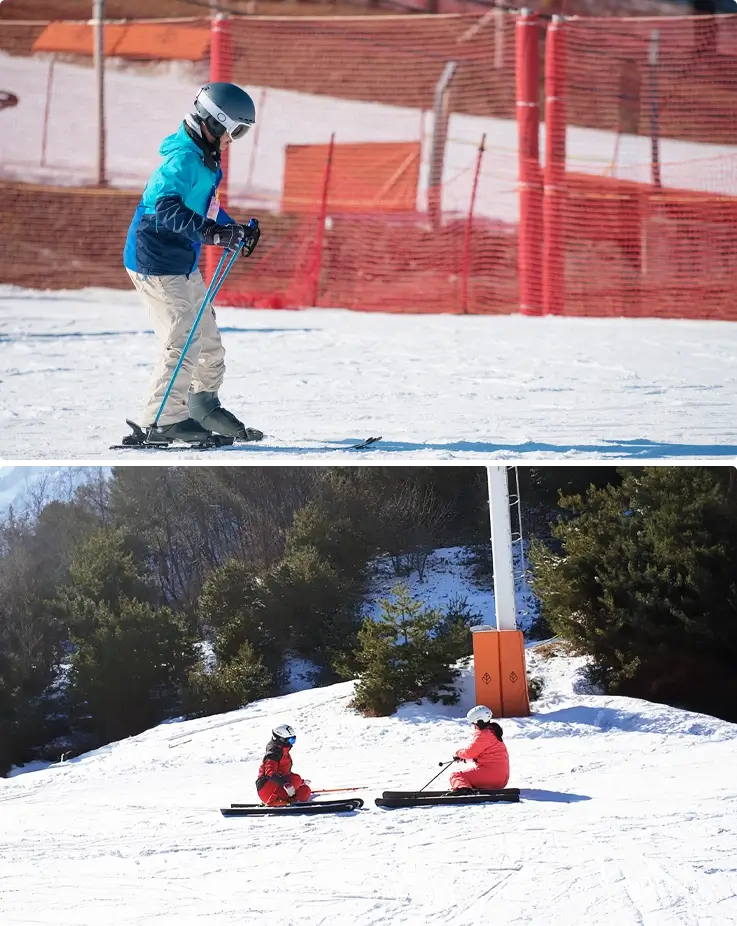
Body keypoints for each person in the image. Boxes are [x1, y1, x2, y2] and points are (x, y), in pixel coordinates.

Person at [123, 81, 264, 445]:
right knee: (181, 338)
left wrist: (231, 228)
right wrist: (214, 236)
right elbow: (167, 208)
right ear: (214, 123)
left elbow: (206, 205)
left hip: (181, 259)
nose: (235, 139)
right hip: (154, 259)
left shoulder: (207, 158)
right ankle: (161, 420)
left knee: (207, 337)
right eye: (235, 130)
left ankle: (202, 404)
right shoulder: (184, 159)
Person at [449, 705, 510, 792]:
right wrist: (463, 757)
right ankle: (467, 787)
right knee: (464, 776)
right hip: (500, 776)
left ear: (480, 721)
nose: (474, 726)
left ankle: (463, 790)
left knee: (457, 776)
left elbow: (470, 752)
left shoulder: (484, 735)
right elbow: (483, 753)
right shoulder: (492, 731)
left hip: (493, 776)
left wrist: (458, 753)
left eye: (474, 723)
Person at [256, 724, 313, 806]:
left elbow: (284, 772)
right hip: (267, 788)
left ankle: (288, 802)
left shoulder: (283, 750)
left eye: (294, 739)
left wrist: (301, 782)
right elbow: (270, 773)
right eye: (291, 740)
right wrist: (286, 784)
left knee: (305, 790)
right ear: (282, 739)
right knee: (296, 779)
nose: (292, 743)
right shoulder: (273, 753)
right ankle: (272, 802)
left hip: (278, 785)